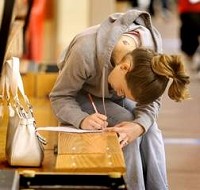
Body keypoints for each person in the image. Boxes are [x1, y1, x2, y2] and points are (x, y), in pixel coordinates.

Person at [49, 9, 190, 190]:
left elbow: (150, 102)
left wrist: (139, 127)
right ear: (124, 67)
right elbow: (60, 96)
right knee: (126, 127)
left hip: (107, 89)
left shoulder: (150, 50)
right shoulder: (85, 50)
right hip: (81, 94)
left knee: (149, 128)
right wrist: (81, 119)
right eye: (123, 91)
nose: (121, 97)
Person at [177, 0, 200, 75]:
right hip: (187, 10)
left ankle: (190, 58)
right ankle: (190, 58)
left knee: (189, 37)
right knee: (189, 38)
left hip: (188, 10)